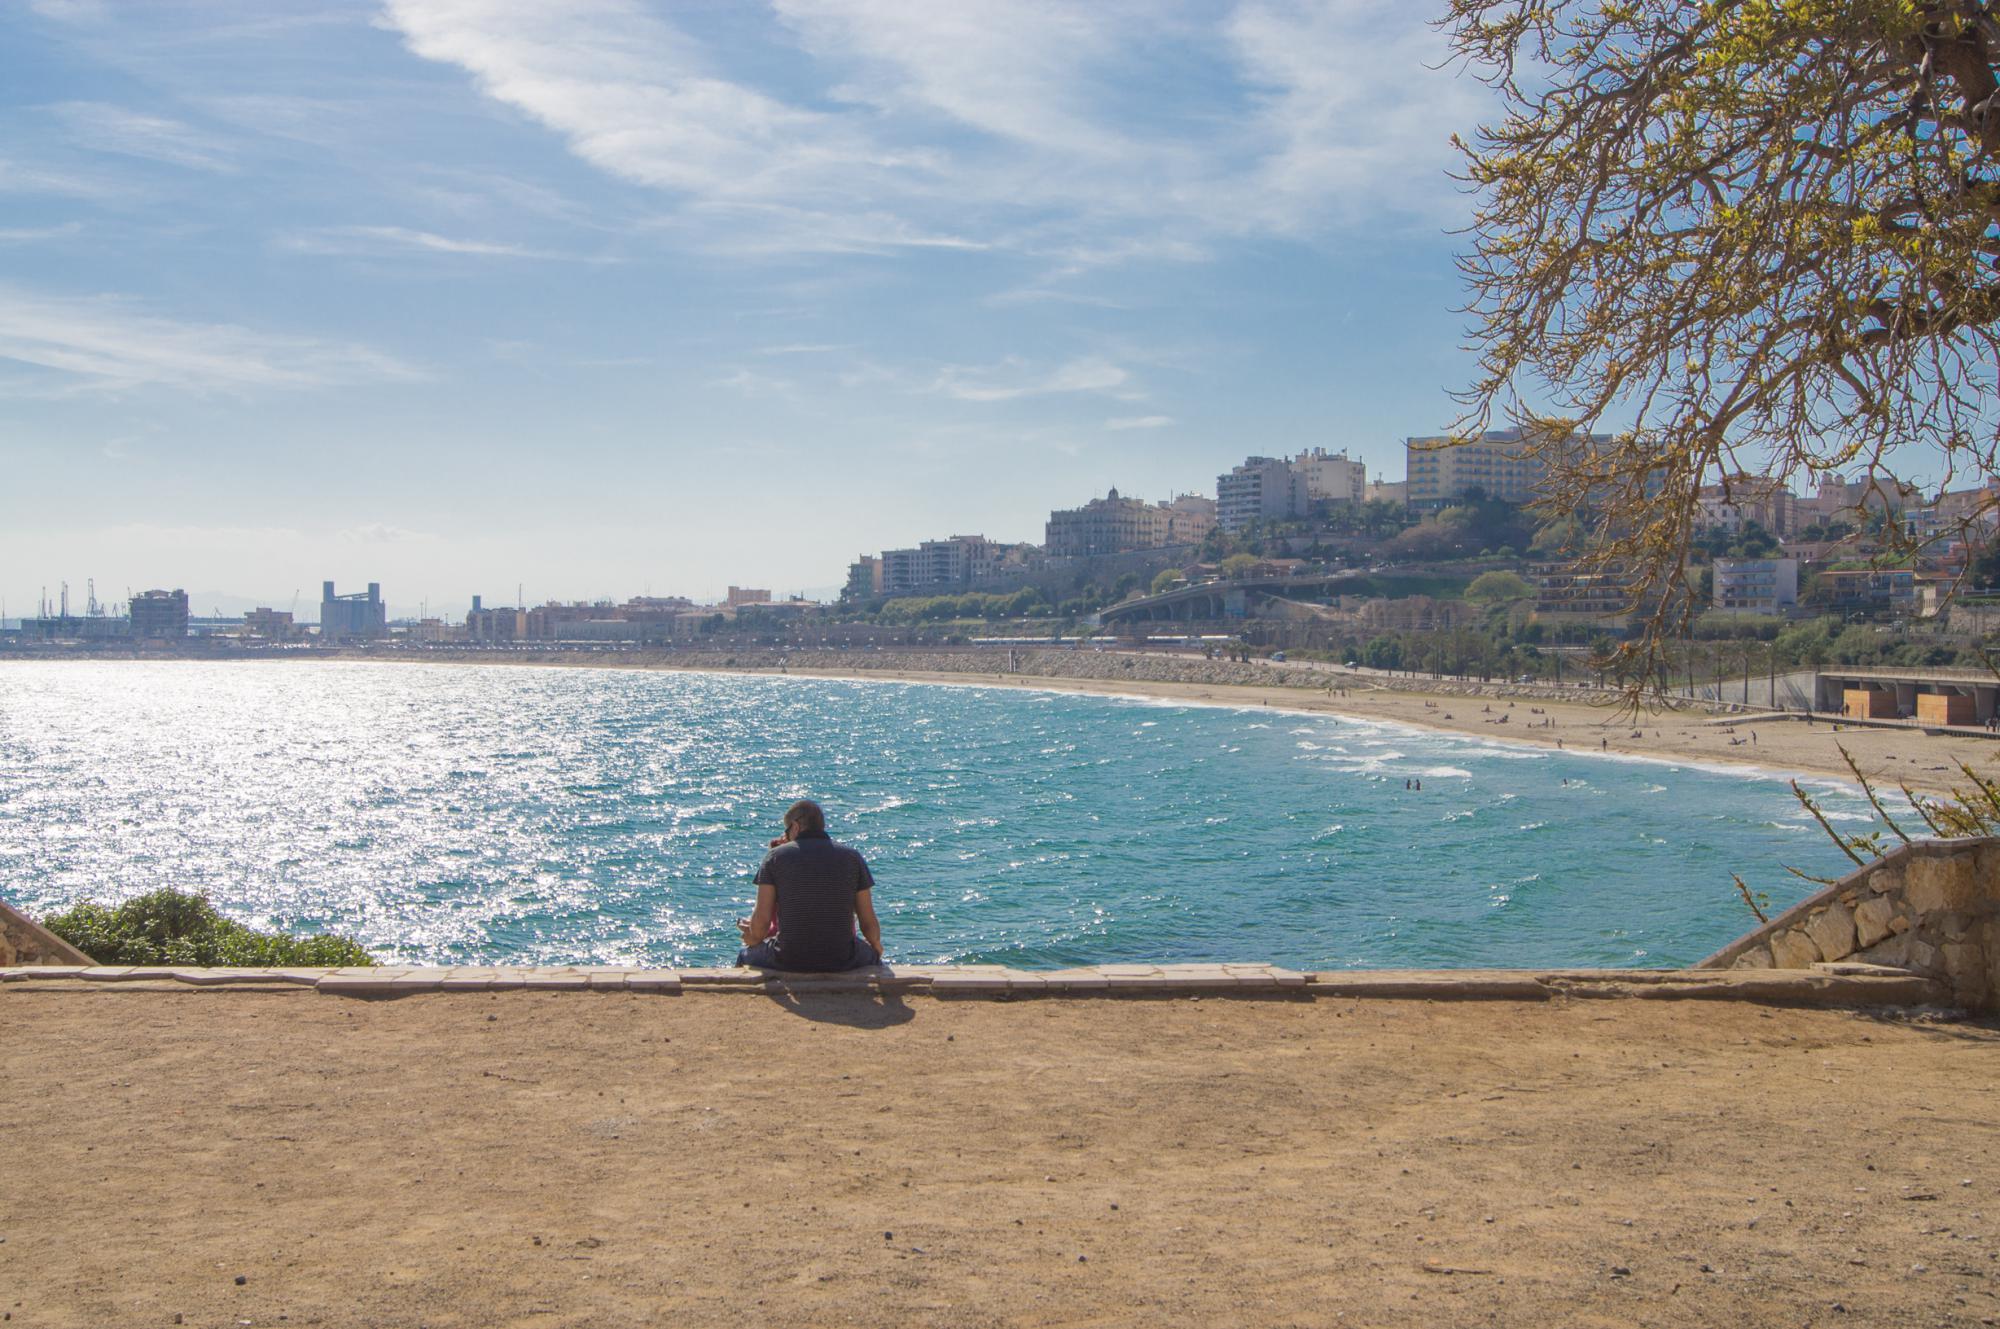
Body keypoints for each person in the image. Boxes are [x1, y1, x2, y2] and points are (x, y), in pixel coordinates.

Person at [736, 800, 883, 972]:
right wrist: (875, 946)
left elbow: (761, 924)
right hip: (843, 958)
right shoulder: (852, 857)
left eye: (787, 830)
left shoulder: (775, 858)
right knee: (874, 959)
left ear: (795, 826)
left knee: (744, 955)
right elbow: (868, 921)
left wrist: (753, 939)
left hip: (788, 958)